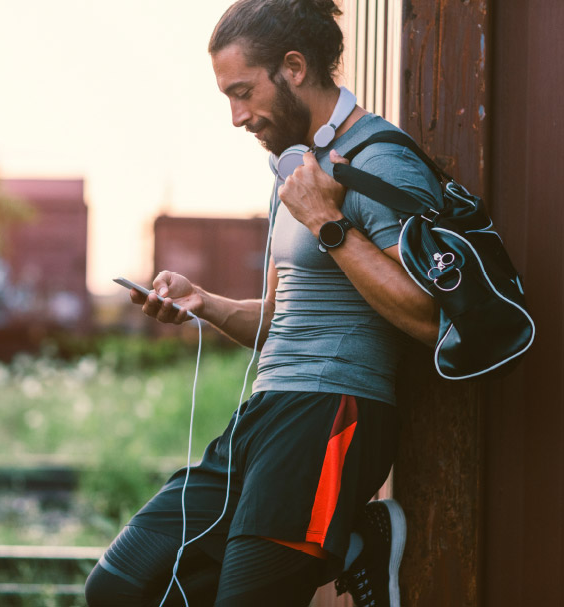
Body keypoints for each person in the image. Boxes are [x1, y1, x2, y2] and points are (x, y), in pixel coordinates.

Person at [85, 1, 441, 606]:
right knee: (119, 588)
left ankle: (358, 542)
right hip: (265, 412)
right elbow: (277, 321)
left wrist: (328, 223)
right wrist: (204, 303)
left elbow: (430, 317)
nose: (236, 116)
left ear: (295, 68)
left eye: (243, 92)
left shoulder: (380, 159)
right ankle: (353, 543)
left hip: (333, 412)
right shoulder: (294, 171)